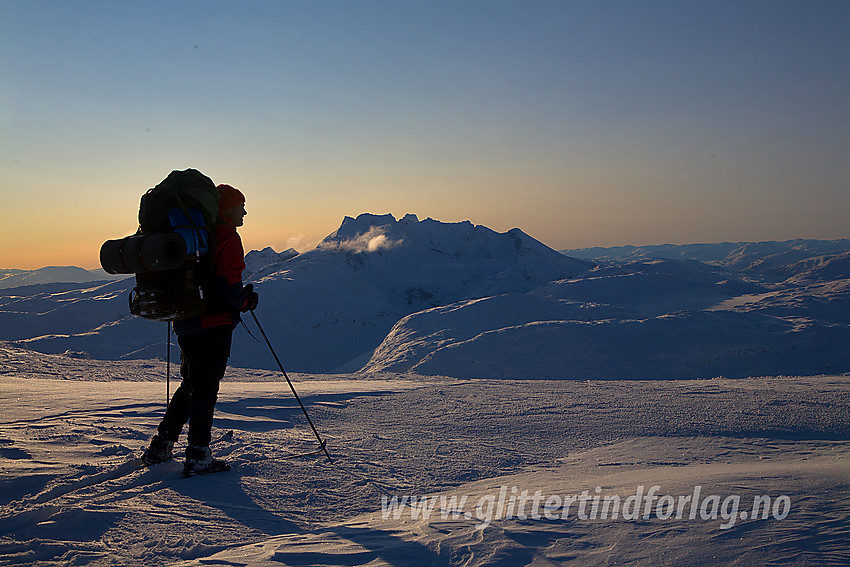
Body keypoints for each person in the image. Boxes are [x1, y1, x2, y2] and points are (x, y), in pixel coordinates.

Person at [142, 184, 259, 475]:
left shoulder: (199, 237)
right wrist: (245, 300)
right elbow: (228, 283)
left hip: (186, 319)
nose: (244, 210)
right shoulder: (226, 236)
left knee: (192, 383)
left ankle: (161, 445)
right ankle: (197, 454)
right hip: (213, 323)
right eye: (240, 205)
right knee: (205, 386)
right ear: (226, 208)